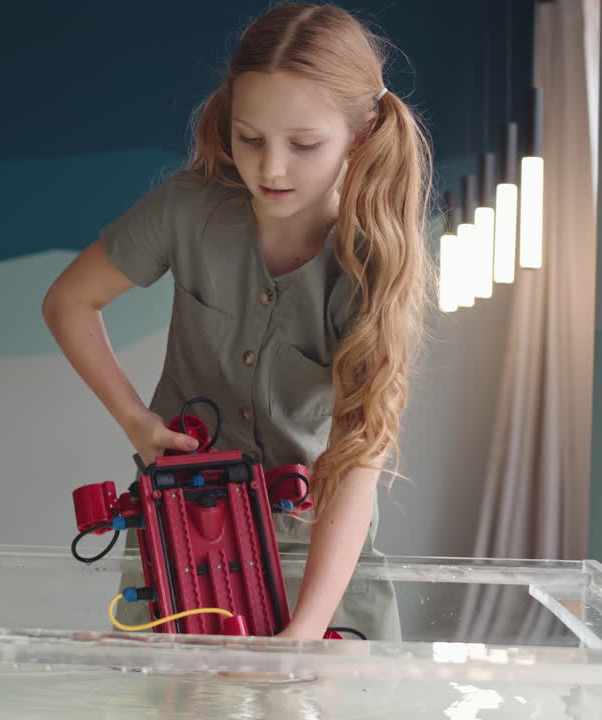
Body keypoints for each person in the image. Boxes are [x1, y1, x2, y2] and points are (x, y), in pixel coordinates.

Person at [43, 2, 431, 640]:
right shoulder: (186, 208)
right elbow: (68, 302)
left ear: (360, 134)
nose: (270, 167)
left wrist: (301, 637)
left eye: (304, 145)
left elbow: (355, 465)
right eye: (250, 138)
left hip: (318, 563)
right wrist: (136, 420)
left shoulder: (375, 262)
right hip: (177, 544)